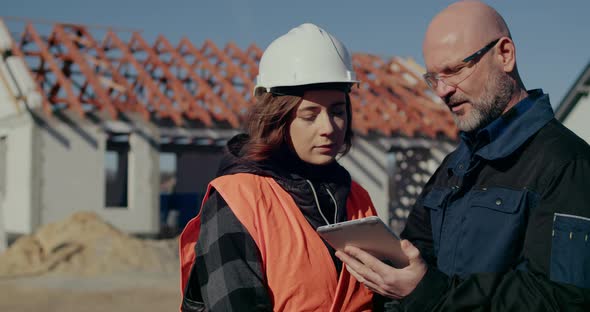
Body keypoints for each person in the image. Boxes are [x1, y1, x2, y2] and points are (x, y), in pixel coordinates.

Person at [336, 1, 590, 311]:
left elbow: (563, 299)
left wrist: (429, 291)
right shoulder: (453, 167)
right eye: (433, 78)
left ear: (505, 54)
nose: (442, 91)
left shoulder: (568, 163)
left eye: (454, 71)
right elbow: (418, 255)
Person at [179, 23, 379, 312]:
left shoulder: (357, 199)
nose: (328, 128)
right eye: (310, 115)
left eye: (337, 111)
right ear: (277, 118)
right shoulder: (237, 201)